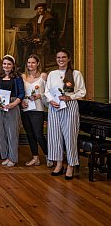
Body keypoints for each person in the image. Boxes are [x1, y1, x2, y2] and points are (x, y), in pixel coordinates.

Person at [45, 49, 86, 180]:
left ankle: (71, 165)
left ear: (68, 59)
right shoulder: (52, 74)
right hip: (55, 107)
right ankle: (58, 164)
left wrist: (70, 97)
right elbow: (47, 91)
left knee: (70, 137)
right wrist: (50, 100)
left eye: (63, 57)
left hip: (70, 106)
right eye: (58, 57)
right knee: (55, 136)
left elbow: (82, 92)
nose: (61, 60)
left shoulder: (76, 74)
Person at [0, 55, 24, 167]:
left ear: (13, 66)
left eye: (9, 64)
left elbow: (21, 93)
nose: (6, 66)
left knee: (12, 133)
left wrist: (14, 104)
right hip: (0, 106)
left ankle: (13, 158)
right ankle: (5, 156)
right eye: (5, 64)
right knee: (2, 132)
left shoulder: (17, 77)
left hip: (12, 105)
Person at [20, 54, 52, 167]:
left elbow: (49, 92)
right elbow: (21, 92)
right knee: (30, 134)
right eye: (29, 62)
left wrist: (40, 96)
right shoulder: (23, 76)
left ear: (38, 63)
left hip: (38, 108)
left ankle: (49, 157)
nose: (30, 65)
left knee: (38, 134)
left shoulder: (43, 76)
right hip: (26, 108)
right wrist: (21, 101)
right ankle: (35, 158)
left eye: (33, 62)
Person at [16, 3, 58, 70]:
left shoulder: (49, 18)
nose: (39, 10)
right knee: (19, 42)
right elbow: (29, 27)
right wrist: (20, 28)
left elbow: (47, 30)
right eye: (38, 9)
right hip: (34, 37)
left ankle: (23, 66)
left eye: (41, 8)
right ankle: (21, 62)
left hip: (44, 39)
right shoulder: (35, 18)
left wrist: (40, 38)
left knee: (30, 45)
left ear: (44, 9)